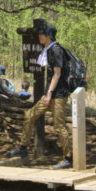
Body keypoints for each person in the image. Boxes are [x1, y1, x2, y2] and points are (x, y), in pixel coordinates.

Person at [5, 19, 74, 169]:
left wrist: (49, 94)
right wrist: (48, 94)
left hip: (58, 95)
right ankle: (23, 147)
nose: (39, 36)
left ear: (48, 35)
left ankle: (68, 158)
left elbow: (57, 74)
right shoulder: (48, 49)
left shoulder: (56, 50)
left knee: (59, 126)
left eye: (41, 34)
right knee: (29, 115)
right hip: (49, 94)